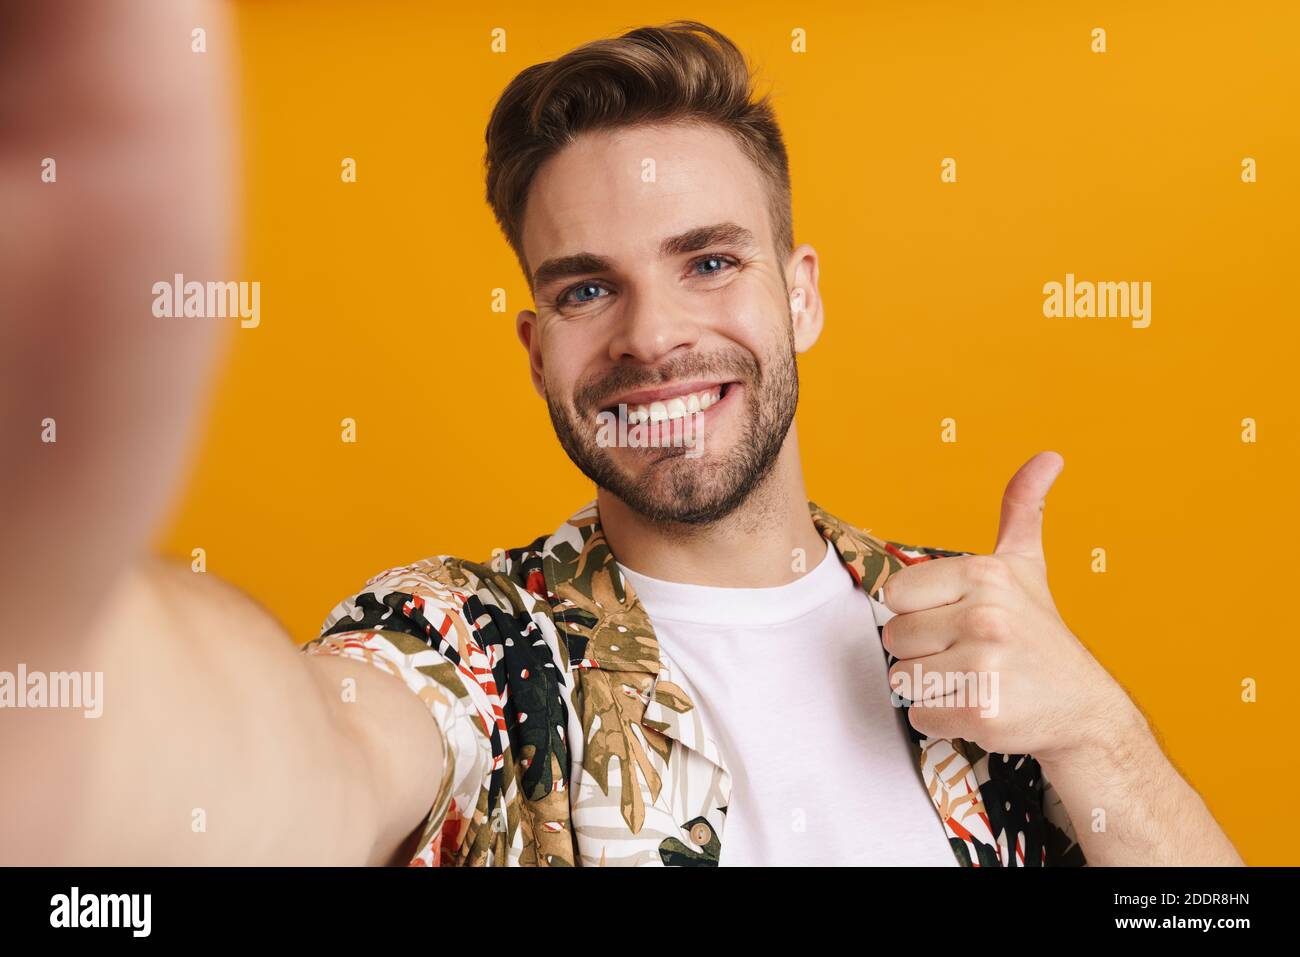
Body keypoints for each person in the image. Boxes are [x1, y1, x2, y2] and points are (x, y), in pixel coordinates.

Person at [0, 9, 1242, 867]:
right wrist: (52, 650)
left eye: (708, 260)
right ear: (536, 347)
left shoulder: (974, 643)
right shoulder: (469, 647)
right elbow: (301, 762)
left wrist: (1097, 732)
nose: (652, 337)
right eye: (587, 288)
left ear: (799, 292)